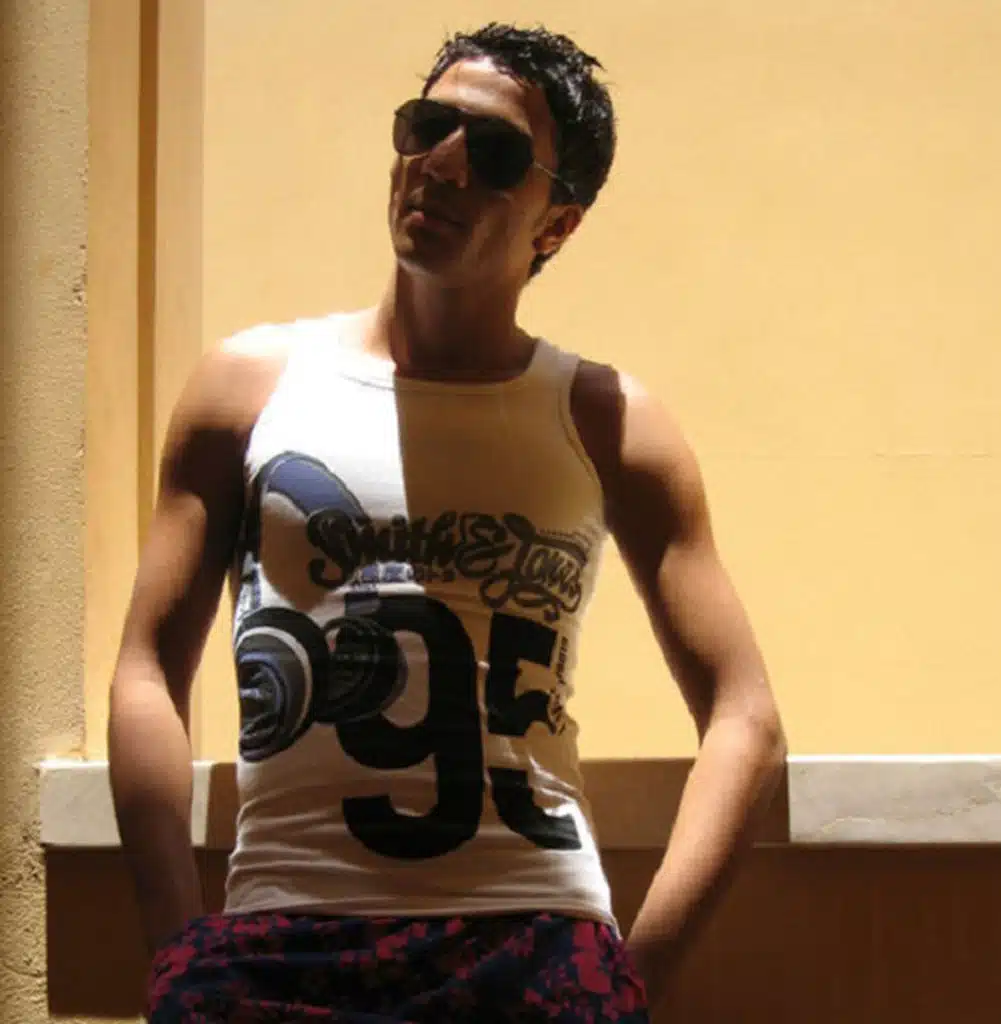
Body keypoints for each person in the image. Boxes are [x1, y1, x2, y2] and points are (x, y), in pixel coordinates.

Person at [109, 22, 786, 1023]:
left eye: (497, 151)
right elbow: (146, 671)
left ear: (557, 223)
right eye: (426, 127)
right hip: (282, 938)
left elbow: (746, 717)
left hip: (529, 941)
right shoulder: (246, 389)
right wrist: (175, 944)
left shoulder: (608, 421)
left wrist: (630, 979)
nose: (441, 164)